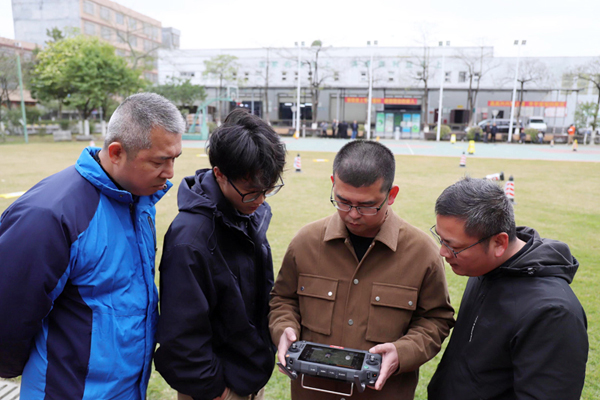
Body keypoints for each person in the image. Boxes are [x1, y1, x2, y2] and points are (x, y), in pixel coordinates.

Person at [0, 93, 185, 399]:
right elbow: (8, 318)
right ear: (115, 152)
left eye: (175, 158)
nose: (170, 173)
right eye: (159, 161)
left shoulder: (139, 200)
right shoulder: (49, 214)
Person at [269, 140, 455, 400]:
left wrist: (402, 352)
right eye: (342, 201)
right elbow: (283, 300)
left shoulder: (422, 253)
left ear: (391, 195)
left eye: (367, 205)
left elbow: (436, 319)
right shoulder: (305, 242)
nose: (353, 214)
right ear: (333, 182)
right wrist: (284, 328)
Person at [154, 108, 287, 400]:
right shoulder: (189, 238)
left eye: (268, 189)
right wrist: (219, 392)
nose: (261, 200)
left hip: (248, 378)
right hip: (215, 390)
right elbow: (181, 335)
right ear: (219, 174)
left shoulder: (247, 212)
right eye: (252, 191)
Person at [427, 177, 588, 400]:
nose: (443, 253)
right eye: (440, 239)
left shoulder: (553, 314)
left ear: (499, 243)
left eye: (453, 246)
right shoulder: (486, 269)